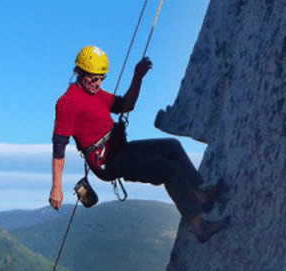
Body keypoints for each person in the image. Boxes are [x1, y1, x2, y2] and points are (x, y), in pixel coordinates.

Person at [49, 46, 229, 243]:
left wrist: (138, 77)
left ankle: (202, 196)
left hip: (119, 149)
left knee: (172, 146)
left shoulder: (97, 94)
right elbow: (59, 147)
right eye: (92, 77)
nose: (97, 83)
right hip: (107, 161)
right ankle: (199, 226)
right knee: (168, 170)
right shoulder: (67, 103)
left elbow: (127, 105)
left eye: (102, 78)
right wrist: (57, 187)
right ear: (78, 72)